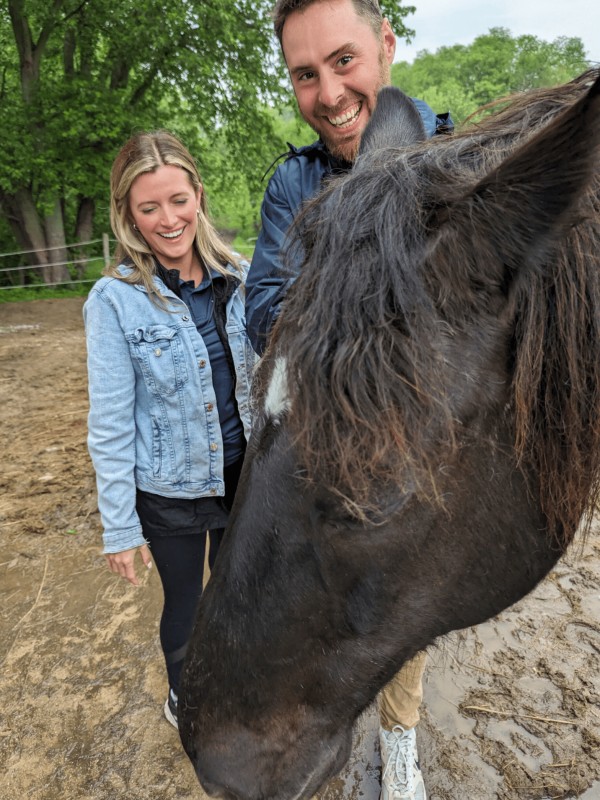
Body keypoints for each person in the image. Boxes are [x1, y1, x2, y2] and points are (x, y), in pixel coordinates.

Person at [245, 2, 452, 799]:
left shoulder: (455, 157)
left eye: (343, 61)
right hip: (317, 445)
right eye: (305, 74)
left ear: (387, 44)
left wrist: (325, 309)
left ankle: (399, 742)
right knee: (318, 595)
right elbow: (264, 305)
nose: (328, 93)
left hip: (418, 444)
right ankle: (319, 724)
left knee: (405, 601)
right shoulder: (291, 182)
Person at [84, 130, 257, 731]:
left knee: (239, 595)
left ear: (198, 195)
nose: (168, 219)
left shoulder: (242, 275)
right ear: (128, 214)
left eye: (177, 200)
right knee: (188, 602)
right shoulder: (113, 300)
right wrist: (119, 527)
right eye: (148, 207)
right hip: (170, 488)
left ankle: (236, 685)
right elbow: (108, 424)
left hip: (245, 474)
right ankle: (186, 700)